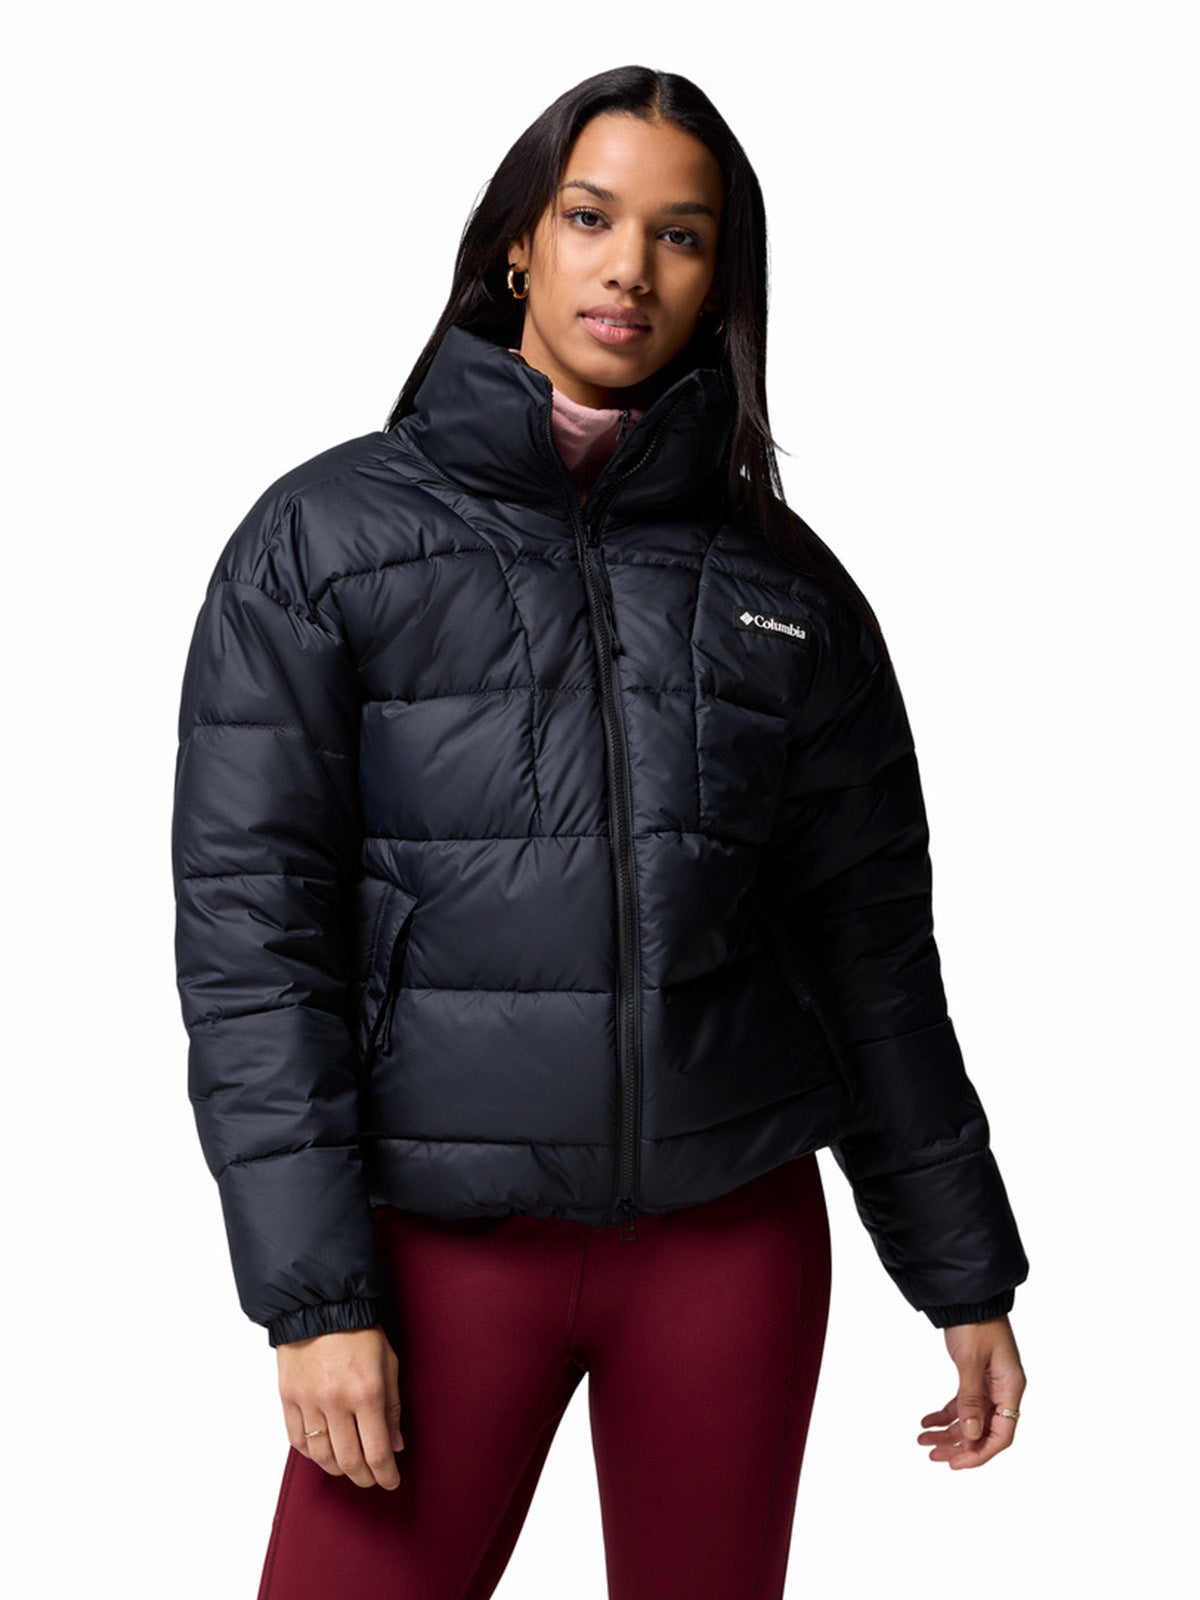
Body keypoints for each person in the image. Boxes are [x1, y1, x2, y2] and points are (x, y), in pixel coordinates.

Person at [171, 64, 1030, 1600]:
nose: (630, 266)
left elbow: (872, 961)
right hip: (435, 1254)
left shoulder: (789, 589)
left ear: (720, 281)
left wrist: (962, 1269)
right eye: (590, 217)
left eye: (680, 235)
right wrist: (314, 1298)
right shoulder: (325, 543)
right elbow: (254, 944)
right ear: (522, 242)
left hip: (729, 1251)